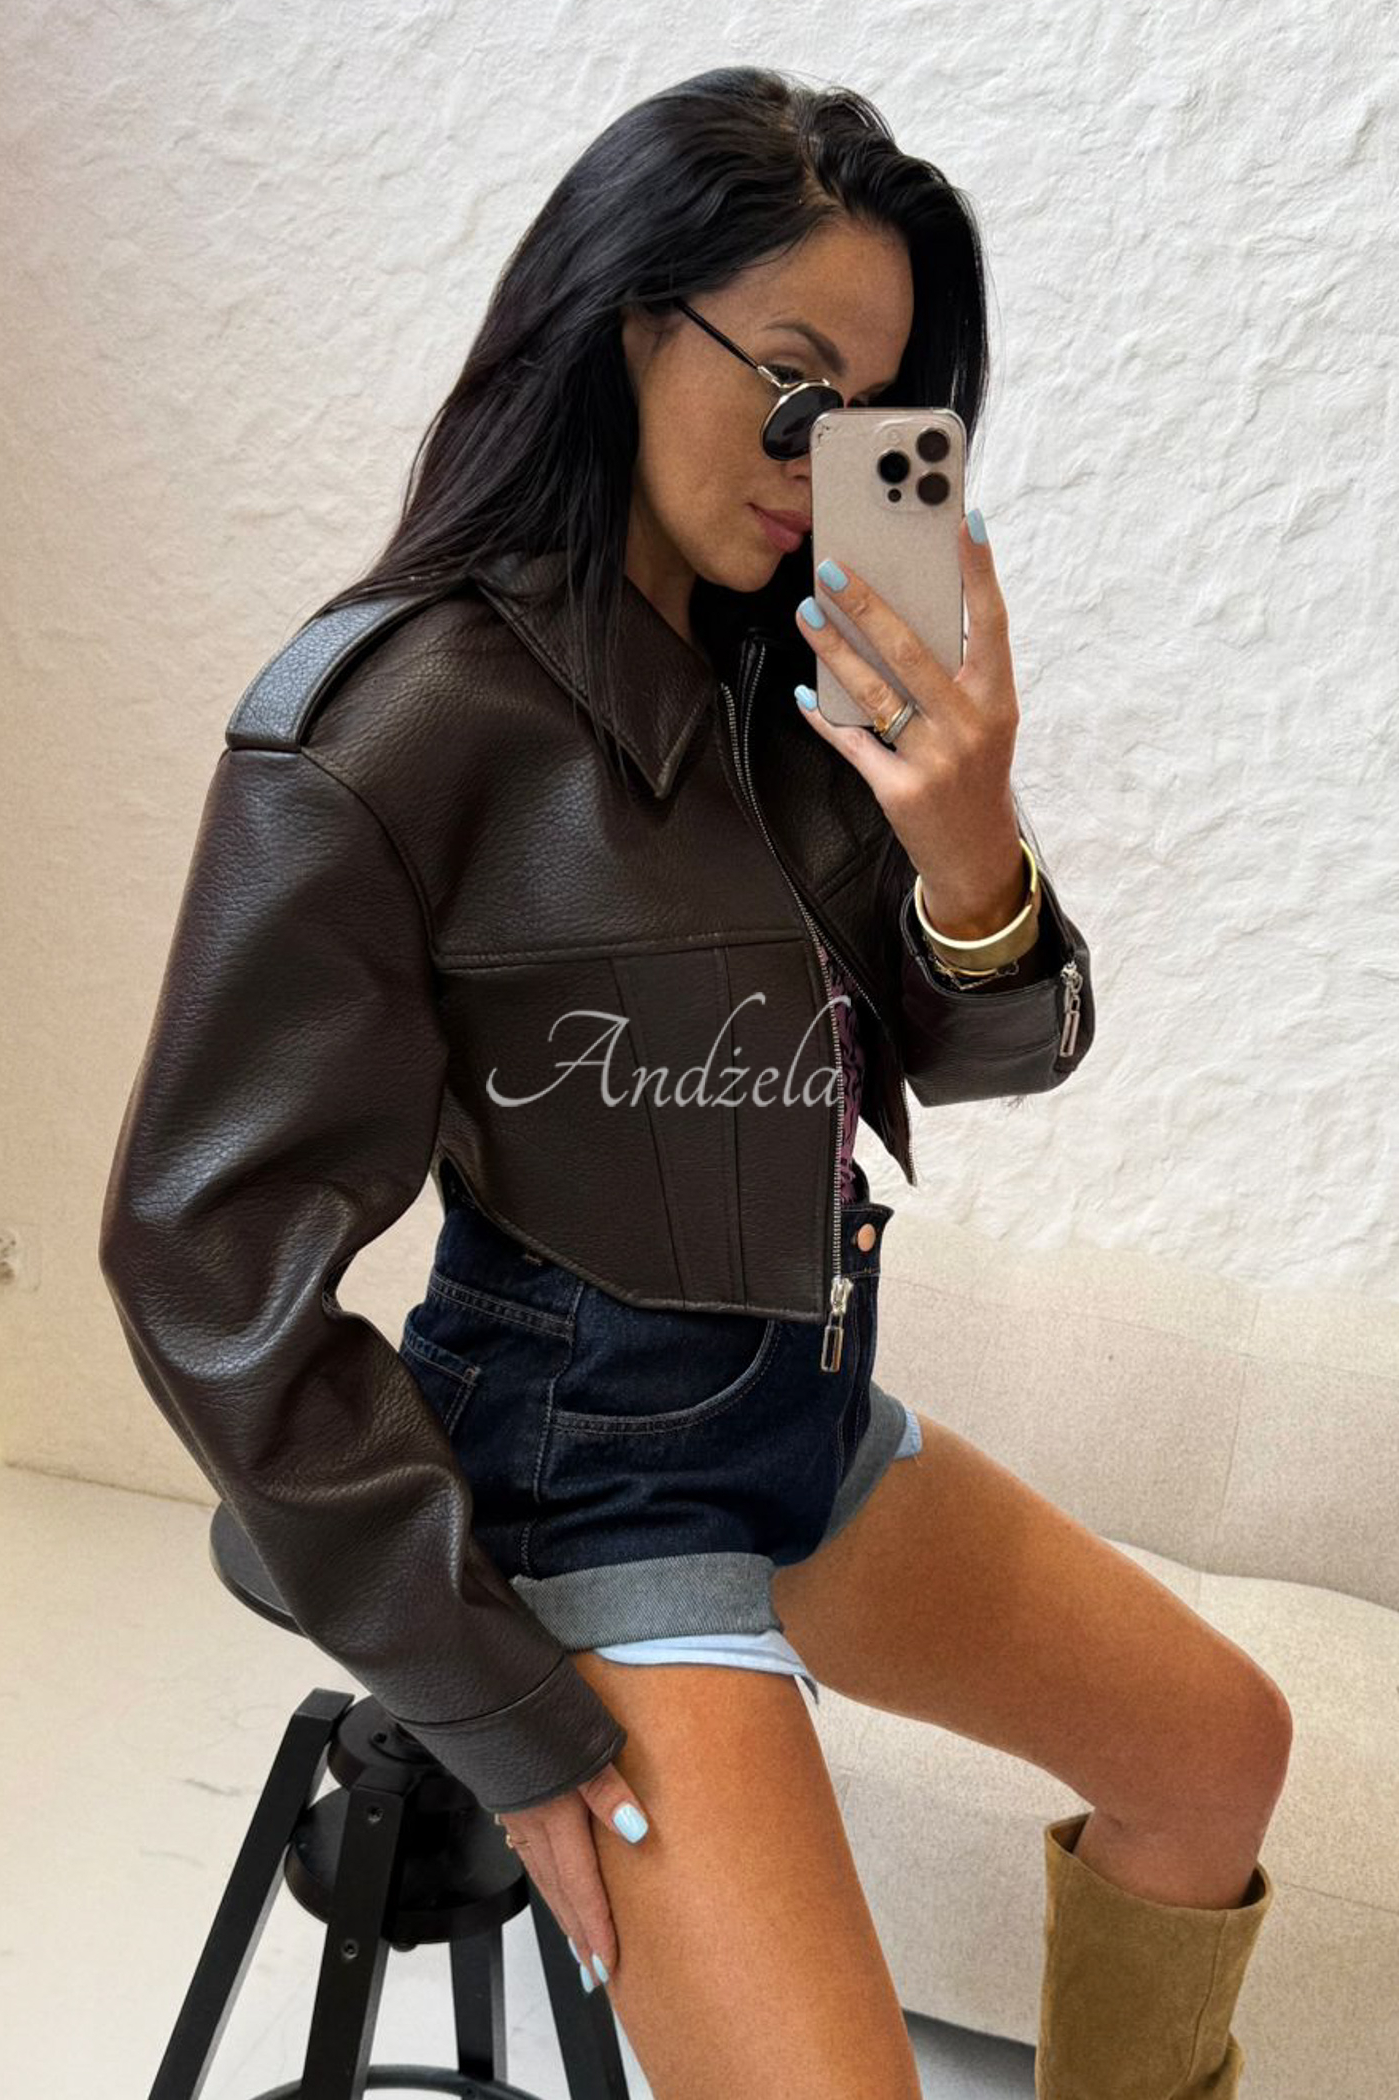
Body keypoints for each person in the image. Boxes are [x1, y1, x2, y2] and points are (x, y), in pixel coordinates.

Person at [100, 65, 1288, 2100]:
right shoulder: (385, 728)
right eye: (798, 384)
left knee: (1217, 1751)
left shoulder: (788, 693)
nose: (832, 460)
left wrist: (969, 837)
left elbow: (983, 1055)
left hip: (797, 1418)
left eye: (886, 414)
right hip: (573, 1470)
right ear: (629, 320)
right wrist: (489, 1696)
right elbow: (198, 1266)